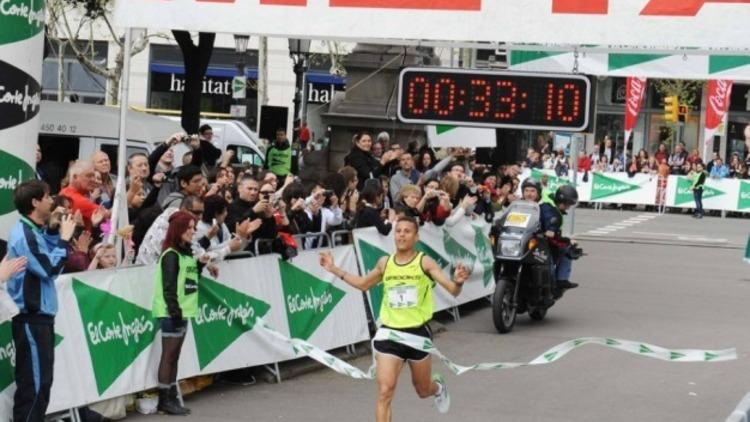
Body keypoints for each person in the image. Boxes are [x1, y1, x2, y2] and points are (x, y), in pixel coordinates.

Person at [319, 216, 469, 421]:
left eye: (407, 231)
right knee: (385, 392)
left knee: (422, 389)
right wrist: (333, 269)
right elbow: (363, 284)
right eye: (398, 231)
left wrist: (458, 282)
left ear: (416, 237)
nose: (402, 235)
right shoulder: (385, 262)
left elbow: (452, 290)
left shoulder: (424, 261)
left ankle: (438, 387)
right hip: (390, 333)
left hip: (418, 333)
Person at [7, 180, 77, 421]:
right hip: (30, 318)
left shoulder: (33, 229)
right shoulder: (24, 233)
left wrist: (53, 228)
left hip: (40, 319)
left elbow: (44, 250)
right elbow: (49, 268)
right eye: (47, 196)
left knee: (41, 384)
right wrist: (65, 239)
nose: (52, 200)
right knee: (34, 386)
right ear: (35, 202)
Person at [153, 211, 218, 415]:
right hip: (173, 313)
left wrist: (200, 264)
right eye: (188, 228)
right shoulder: (171, 255)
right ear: (178, 229)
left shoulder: (185, 253)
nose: (192, 231)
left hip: (183, 311)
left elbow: (190, 279)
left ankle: (171, 397)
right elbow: (169, 287)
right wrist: (175, 312)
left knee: (175, 356)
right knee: (169, 356)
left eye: (193, 227)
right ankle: (165, 400)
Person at [540, 185, 579, 295]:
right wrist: (567, 242)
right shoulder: (553, 212)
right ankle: (560, 281)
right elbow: (551, 227)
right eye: (568, 204)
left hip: (538, 237)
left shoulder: (547, 199)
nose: (568, 207)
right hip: (542, 241)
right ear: (563, 202)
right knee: (568, 251)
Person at [60, 160, 109, 231]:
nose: (93, 179)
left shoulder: (66, 191)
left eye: (93, 175)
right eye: (89, 176)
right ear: (75, 177)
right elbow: (109, 214)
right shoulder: (76, 199)